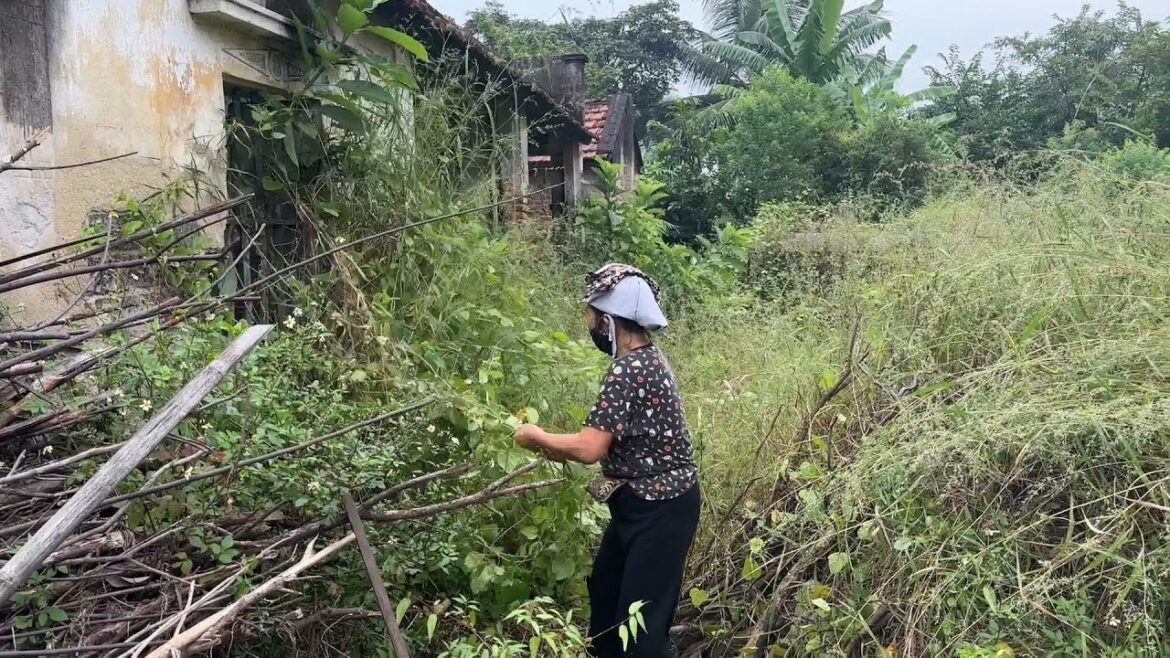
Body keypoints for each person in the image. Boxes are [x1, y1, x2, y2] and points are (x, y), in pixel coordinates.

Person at [514, 263, 700, 658]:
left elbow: (589, 448)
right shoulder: (645, 359)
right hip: (641, 502)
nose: (589, 325)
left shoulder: (630, 369)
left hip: (662, 507)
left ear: (609, 322)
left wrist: (536, 436)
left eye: (592, 317)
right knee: (606, 597)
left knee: (642, 630)